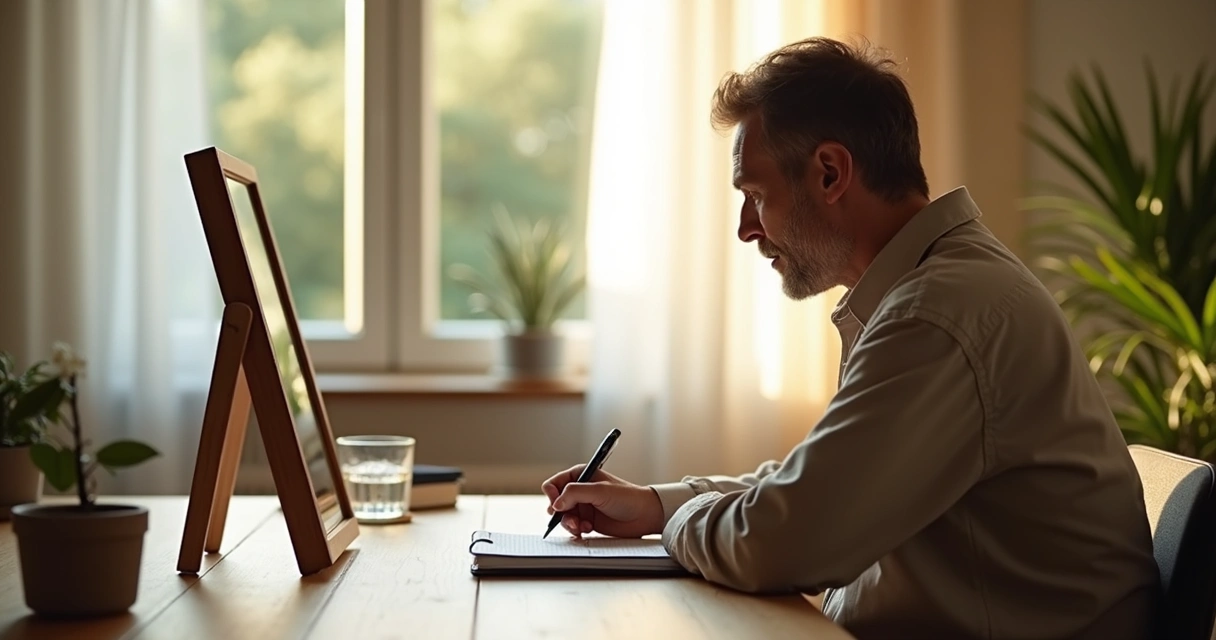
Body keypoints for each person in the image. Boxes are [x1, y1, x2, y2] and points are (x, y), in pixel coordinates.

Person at [540, 37, 1160, 639]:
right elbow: (816, 488)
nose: (745, 229)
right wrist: (656, 504)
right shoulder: (931, 290)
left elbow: (787, 543)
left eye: (756, 195)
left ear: (831, 172)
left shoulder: (939, 315)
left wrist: (678, 525)